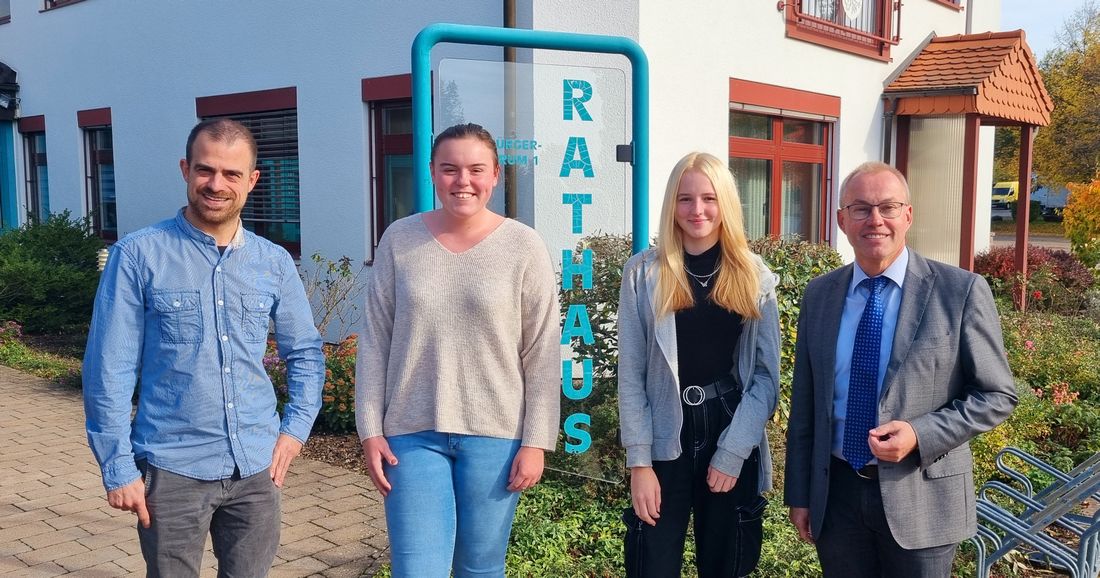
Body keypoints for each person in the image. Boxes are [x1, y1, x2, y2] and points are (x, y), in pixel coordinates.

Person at [83, 118, 325, 576]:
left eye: (232, 174)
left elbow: (306, 354)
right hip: (172, 470)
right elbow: (107, 369)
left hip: (256, 470)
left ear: (252, 180)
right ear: (185, 170)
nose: (216, 185)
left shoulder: (273, 262)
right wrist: (118, 468)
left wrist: (294, 432)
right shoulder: (138, 255)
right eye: (205, 170)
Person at [784, 161, 1018, 577]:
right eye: (860, 208)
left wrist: (920, 433)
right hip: (837, 497)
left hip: (922, 499)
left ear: (907, 215)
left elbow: (997, 394)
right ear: (841, 220)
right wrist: (800, 494)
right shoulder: (819, 295)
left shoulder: (959, 291)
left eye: (888, 207)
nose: (875, 220)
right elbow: (805, 405)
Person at [355, 123, 560, 577]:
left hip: (496, 435)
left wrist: (536, 441)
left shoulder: (523, 246)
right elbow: (375, 341)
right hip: (411, 433)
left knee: (480, 568)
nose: (462, 181)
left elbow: (542, 351)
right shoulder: (400, 240)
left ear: (495, 175)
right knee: (416, 569)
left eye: (476, 169)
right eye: (449, 169)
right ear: (432, 172)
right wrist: (370, 429)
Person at [617, 151, 780, 577]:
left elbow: (766, 378)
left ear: (725, 203)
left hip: (728, 426)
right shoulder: (643, 273)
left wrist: (734, 450)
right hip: (663, 433)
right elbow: (631, 376)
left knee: (727, 563)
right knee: (650, 562)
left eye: (709, 198)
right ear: (672, 204)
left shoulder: (753, 275)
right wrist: (639, 463)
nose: (697, 210)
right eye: (685, 198)